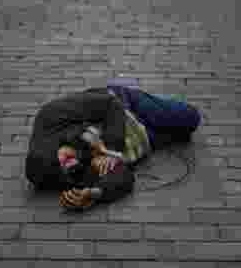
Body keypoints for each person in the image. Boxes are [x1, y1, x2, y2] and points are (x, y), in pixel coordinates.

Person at [25, 82, 202, 211]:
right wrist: (95, 193)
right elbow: (123, 177)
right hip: (146, 140)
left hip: (129, 107)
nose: (76, 160)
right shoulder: (70, 171)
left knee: (190, 117)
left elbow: (110, 104)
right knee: (182, 134)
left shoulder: (49, 115)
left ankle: (151, 101)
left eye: (68, 157)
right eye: (70, 164)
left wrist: (111, 150)